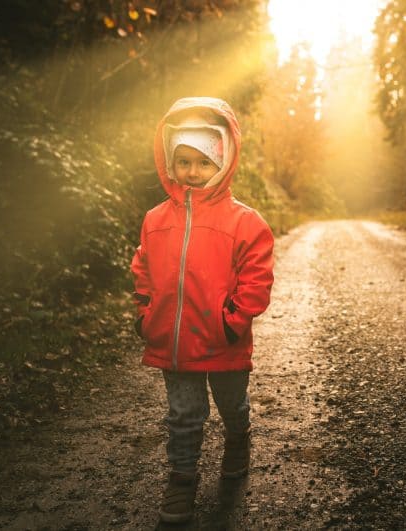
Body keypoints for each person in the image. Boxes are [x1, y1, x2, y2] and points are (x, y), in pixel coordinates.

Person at [130, 97, 274, 524]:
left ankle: (238, 438)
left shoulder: (245, 223)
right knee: (184, 414)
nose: (192, 172)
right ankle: (181, 479)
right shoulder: (155, 219)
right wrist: (144, 311)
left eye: (203, 162)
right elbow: (142, 267)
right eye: (184, 161)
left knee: (232, 404)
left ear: (223, 161)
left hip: (223, 341)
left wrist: (232, 321)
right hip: (173, 344)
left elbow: (257, 280)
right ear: (170, 162)